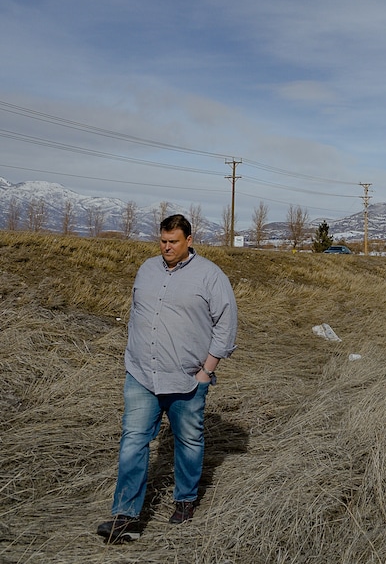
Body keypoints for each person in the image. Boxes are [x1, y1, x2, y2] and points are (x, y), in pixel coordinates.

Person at [97, 213, 238, 544]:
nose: (166, 247)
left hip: (186, 378)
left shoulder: (210, 276)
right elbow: (136, 313)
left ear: (189, 240)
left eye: (173, 241)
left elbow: (226, 323)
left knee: (188, 440)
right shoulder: (147, 269)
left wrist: (206, 371)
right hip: (141, 375)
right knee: (133, 441)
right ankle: (126, 517)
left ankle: (185, 500)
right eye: (162, 241)